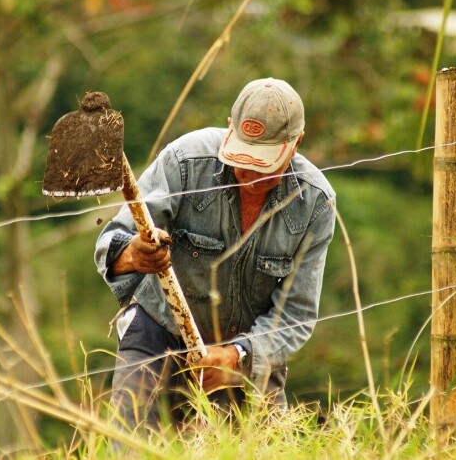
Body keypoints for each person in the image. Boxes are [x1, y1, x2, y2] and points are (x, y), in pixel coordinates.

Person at [95, 77, 336, 430]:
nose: (250, 173)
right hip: (158, 333)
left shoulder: (315, 203)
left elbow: (295, 314)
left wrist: (235, 358)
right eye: (243, 159)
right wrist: (135, 255)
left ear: (295, 144)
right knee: (130, 446)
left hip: (245, 353)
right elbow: (113, 243)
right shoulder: (185, 161)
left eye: (264, 164)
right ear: (230, 129)